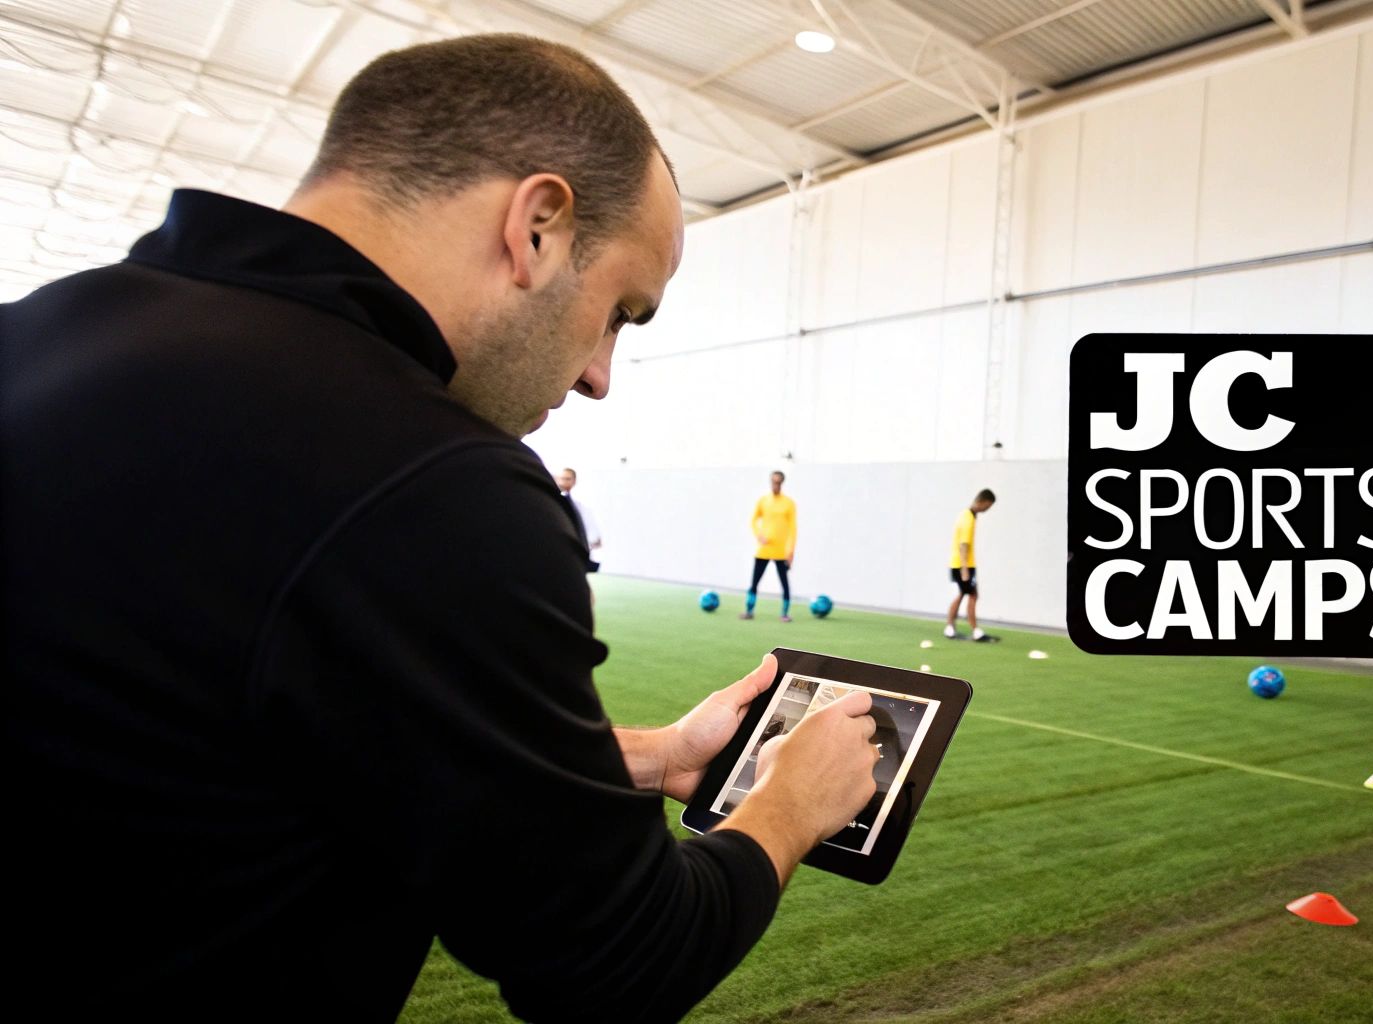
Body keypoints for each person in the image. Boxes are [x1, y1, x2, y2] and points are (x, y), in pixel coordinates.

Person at [2, 34, 881, 1022]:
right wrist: (786, 806)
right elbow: (619, 960)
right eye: (619, 313)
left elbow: (247, 723)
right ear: (537, 226)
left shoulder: (45, 330)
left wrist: (642, 756)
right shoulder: (431, 481)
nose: (598, 374)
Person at [945, 489, 999, 642]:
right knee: (972, 595)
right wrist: (964, 569)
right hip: (963, 565)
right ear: (981, 502)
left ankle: (951, 628)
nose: (987, 509)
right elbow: (963, 545)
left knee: (964, 594)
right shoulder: (968, 518)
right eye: (987, 506)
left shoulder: (967, 515)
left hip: (962, 564)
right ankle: (974, 631)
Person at [744, 470, 796, 621]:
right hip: (763, 550)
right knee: (754, 582)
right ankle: (749, 610)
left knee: (784, 583)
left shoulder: (789, 503)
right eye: (773, 481)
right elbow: (753, 520)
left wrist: (791, 551)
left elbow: (793, 529)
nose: (776, 484)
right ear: (770, 482)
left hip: (781, 552)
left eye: (778, 482)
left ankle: (785, 614)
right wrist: (759, 535)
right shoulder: (763, 501)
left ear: (782, 483)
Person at [555, 466, 601, 571]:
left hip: (577, 551)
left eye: (567, 479)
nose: (563, 482)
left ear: (574, 481)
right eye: (561, 479)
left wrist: (590, 542)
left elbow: (591, 530)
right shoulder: (552, 500)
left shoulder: (581, 504)